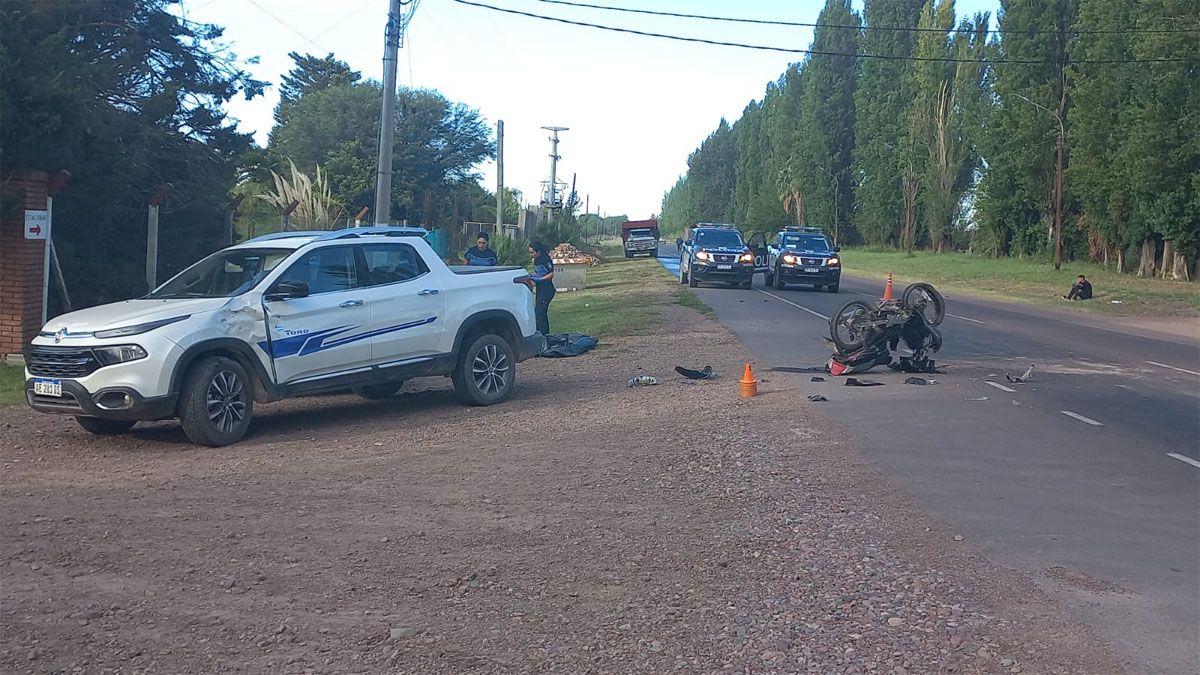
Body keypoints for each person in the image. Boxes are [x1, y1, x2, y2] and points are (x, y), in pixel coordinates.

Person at [527, 240, 555, 335]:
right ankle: (540, 333)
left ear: (538, 251)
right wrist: (533, 277)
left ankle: (545, 335)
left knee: (540, 313)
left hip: (547, 290)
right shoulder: (536, 260)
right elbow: (539, 272)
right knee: (538, 312)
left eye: (532, 252)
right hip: (540, 290)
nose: (531, 255)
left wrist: (540, 279)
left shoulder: (545, 259)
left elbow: (551, 274)